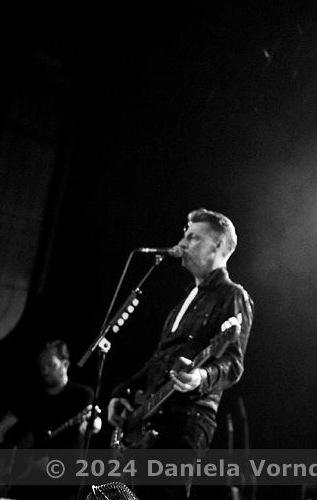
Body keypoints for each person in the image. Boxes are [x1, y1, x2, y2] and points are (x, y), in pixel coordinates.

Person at [108, 208, 254, 500]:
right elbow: (157, 361)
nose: (183, 243)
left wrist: (201, 377)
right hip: (149, 419)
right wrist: (121, 392)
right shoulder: (182, 303)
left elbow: (233, 364)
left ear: (218, 245)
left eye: (193, 237)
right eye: (185, 236)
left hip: (187, 418)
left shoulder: (233, 295)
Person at [0, 339, 99, 499]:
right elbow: (0, 430)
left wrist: (94, 424)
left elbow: (94, 423)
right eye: (42, 366)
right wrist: (0, 465)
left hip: (65, 484)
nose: (45, 371)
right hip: (28, 482)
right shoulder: (32, 396)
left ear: (65, 364)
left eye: (51, 365)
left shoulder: (82, 395)